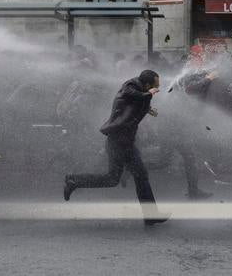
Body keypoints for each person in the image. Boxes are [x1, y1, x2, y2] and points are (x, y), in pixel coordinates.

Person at [63, 70, 168, 226]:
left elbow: (132, 104)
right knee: (140, 176)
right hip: (119, 141)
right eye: (155, 86)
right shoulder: (130, 86)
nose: (157, 89)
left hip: (122, 141)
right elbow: (133, 95)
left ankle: (74, 180)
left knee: (112, 179)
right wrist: (149, 94)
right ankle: (151, 215)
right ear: (147, 85)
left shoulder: (139, 91)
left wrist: (147, 108)